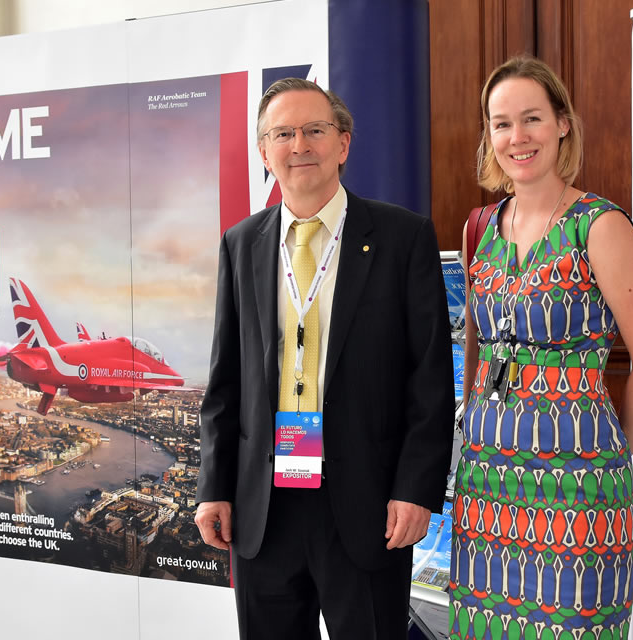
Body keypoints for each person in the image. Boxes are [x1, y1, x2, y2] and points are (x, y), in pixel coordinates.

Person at [194, 77, 454, 640]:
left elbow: (429, 378)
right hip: (264, 506)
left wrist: (415, 489)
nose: (299, 145)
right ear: (264, 152)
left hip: (367, 506)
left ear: (343, 143)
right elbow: (225, 382)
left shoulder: (402, 237)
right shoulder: (241, 245)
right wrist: (213, 486)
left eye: (315, 130)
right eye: (282, 133)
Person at [450, 56, 633, 639]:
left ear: (562, 124)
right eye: (501, 124)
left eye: (531, 119)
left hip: (576, 487)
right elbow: (478, 352)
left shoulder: (599, 227)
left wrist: (605, 454)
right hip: (487, 486)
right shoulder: (481, 226)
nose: (517, 137)